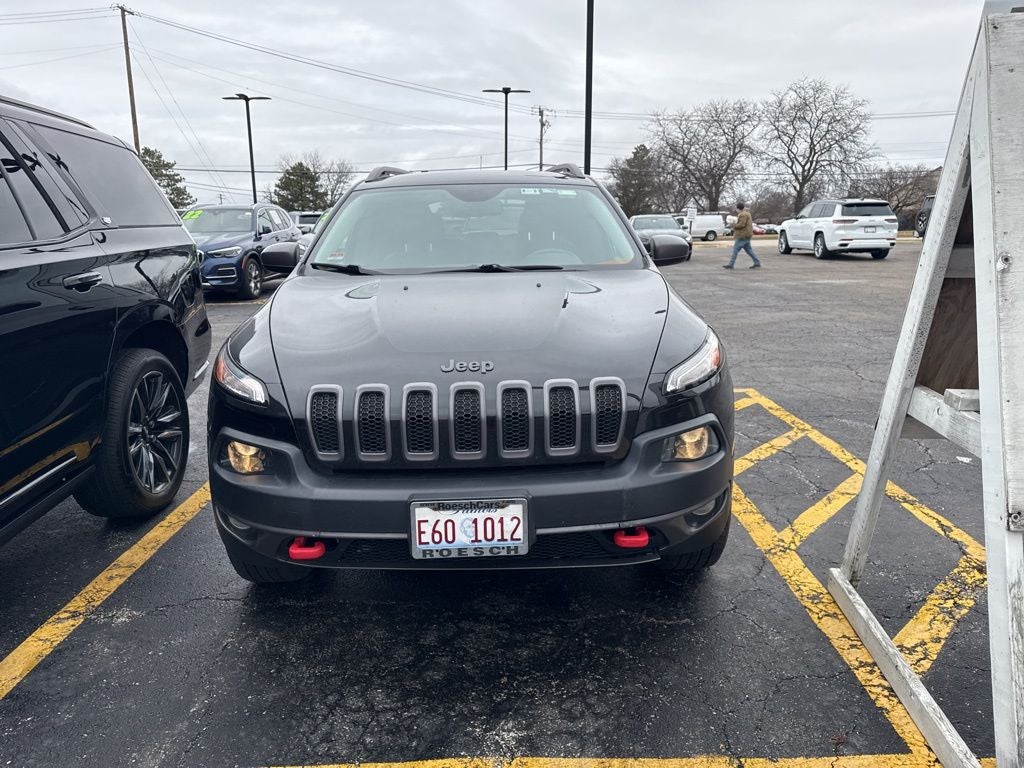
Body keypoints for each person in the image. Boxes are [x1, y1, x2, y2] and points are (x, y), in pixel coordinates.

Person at [724, 202, 761, 269]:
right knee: (749, 250)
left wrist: (733, 225)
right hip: (747, 234)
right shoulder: (748, 213)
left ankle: (730, 264)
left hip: (742, 235)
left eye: (736, 209)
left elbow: (742, 224)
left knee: (735, 250)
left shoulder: (742, 215)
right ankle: (757, 263)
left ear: (738, 208)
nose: (736, 210)